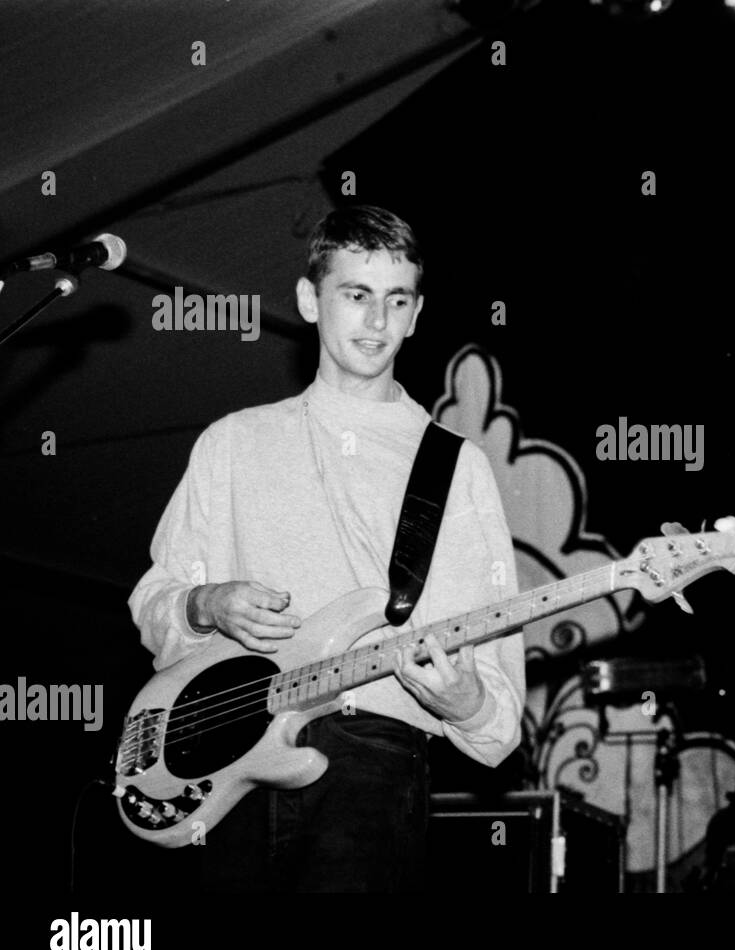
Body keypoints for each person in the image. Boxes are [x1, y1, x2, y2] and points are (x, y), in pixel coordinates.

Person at [128, 205, 525, 891]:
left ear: (417, 314)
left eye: (396, 301)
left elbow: (500, 724)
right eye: (357, 295)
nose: (377, 322)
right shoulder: (233, 442)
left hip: (373, 760)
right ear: (311, 300)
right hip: (232, 763)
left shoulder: (455, 468)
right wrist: (206, 604)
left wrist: (462, 699)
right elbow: (152, 607)